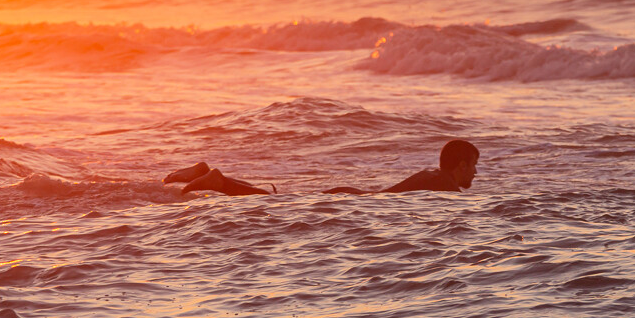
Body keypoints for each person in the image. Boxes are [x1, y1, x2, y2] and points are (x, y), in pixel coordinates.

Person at [162, 140, 479, 197]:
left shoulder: (432, 177)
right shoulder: (446, 188)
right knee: (272, 203)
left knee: (275, 200)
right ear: (461, 165)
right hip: (352, 201)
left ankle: (212, 174)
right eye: (474, 167)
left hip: (351, 195)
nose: (476, 175)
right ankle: (217, 181)